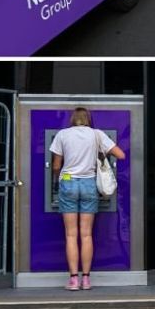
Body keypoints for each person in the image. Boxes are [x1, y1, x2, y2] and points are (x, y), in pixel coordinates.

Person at [49, 107, 126, 291]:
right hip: (89, 184)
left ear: (72, 119)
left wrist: (60, 178)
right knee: (86, 234)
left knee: (71, 235)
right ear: (88, 119)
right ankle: (86, 280)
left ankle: (73, 280)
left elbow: (56, 165)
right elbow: (121, 154)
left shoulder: (62, 135)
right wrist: (100, 155)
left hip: (68, 183)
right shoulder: (97, 135)